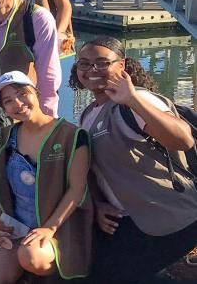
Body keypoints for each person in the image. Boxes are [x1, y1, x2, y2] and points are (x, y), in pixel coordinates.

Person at [70, 36, 197, 283]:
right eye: (84, 63)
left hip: (171, 215)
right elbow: (94, 169)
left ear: (122, 66)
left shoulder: (138, 101)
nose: (92, 70)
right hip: (131, 220)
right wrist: (98, 203)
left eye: (102, 63)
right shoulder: (87, 115)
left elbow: (183, 139)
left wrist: (132, 99)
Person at [0, 71, 91, 283]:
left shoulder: (73, 135)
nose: (18, 103)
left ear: (37, 92)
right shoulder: (6, 136)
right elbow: (3, 187)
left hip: (59, 226)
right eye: (8, 101)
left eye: (22, 93)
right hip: (18, 225)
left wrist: (49, 228)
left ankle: (53, 274)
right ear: (4, 109)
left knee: (31, 257)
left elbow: (77, 188)